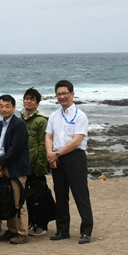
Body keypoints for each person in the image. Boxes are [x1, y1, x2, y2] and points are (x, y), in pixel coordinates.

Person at [46, 80, 93, 244]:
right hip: (57, 158)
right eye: (59, 94)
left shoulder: (80, 116)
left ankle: (86, 231)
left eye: (65, 93)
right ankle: (62, 230)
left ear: (72, 94)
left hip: (75, 157)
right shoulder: (54, 115)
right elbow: (49, 136)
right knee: (60, 195)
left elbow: (77, 141)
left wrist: (56, 153)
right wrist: (50, 154)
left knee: (80, 195)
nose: (62, 96)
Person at [0, 95, 31, 245]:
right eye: (1, 106)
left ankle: (22, 233)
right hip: (2, 166)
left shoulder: (18, 124)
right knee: (7, 199)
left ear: (14, 107)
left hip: (17, 168)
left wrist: (1, 163)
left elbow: (15, 148)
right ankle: (12, 230)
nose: (4, 109)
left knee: (19, 201)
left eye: (7, 106)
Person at [21, 87, 50, 235]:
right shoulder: (20, 119)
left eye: (32, 99)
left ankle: (41, 224)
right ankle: (31, 222)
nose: (28, 101)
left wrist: (40, 167)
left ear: (37, 103)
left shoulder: (41, 121)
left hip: (35, 167)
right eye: (26, 98)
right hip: (23, 166)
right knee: (27, 197)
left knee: (39, 196)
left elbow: (42, 144)